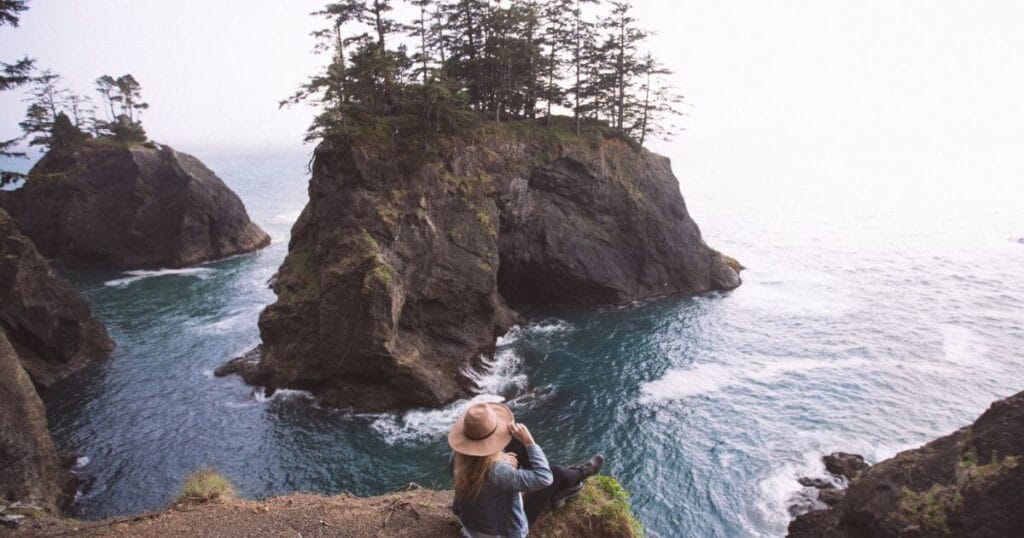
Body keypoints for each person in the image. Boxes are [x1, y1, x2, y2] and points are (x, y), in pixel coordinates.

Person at [448, 402, 604, 538]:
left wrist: (501, 457)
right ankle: (578, 475)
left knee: (514, 446)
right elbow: (544, 477)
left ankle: (560, 489)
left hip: (471, 525)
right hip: (503, 533)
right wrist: (529, 442)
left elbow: (481, 463)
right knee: (554, 473)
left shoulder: (457, 457)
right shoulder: (499, 473)